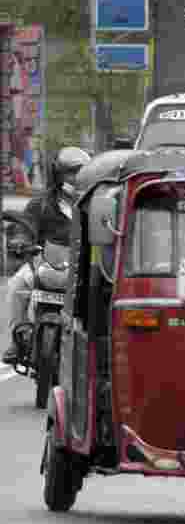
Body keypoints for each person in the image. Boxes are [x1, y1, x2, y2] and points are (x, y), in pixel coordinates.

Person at [3, 147, 91, 364]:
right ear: (58, 175)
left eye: (80, 172)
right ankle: (18, 338)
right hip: (45, 264)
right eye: (71, 172)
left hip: (84, 268)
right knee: (16, 285)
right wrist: (21, 241)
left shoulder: (94, 204)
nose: (75, 178)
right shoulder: (41, 204)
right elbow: (26, 227)